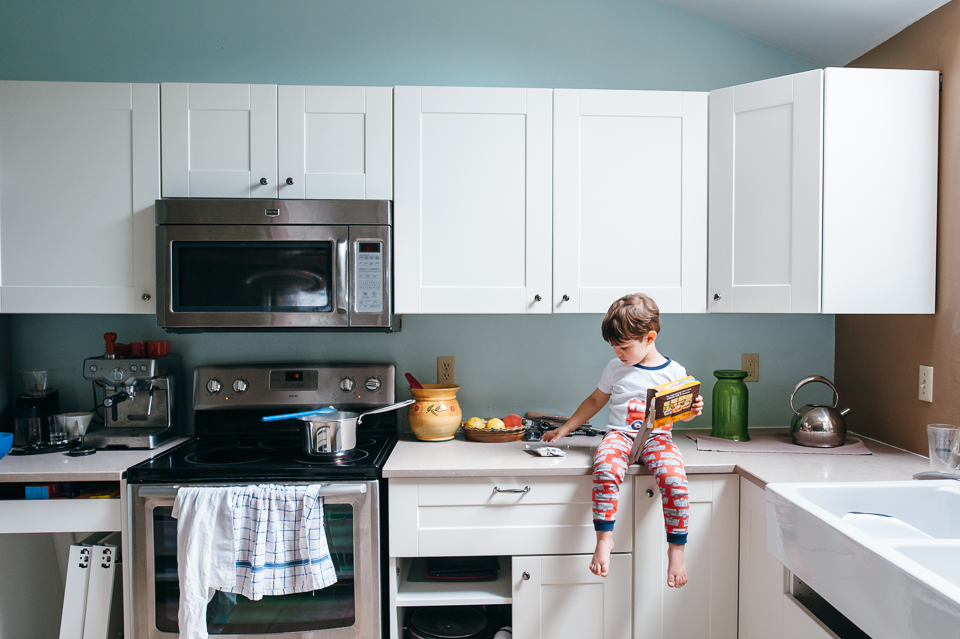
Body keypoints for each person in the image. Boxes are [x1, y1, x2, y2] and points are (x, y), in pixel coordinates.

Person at [541, 293, 702, 588]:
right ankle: (604, 539)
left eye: (624, 346)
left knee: (675, 479)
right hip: (620, 435)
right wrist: (564, 430)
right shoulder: (615, 368)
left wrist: (691, 412)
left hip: (657, 438)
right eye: (614, 346)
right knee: (604, 469)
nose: (618, 352)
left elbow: (681, 416)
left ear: (649, 337)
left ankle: (676, 549)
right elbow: (594, 401)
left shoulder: (674, 372)